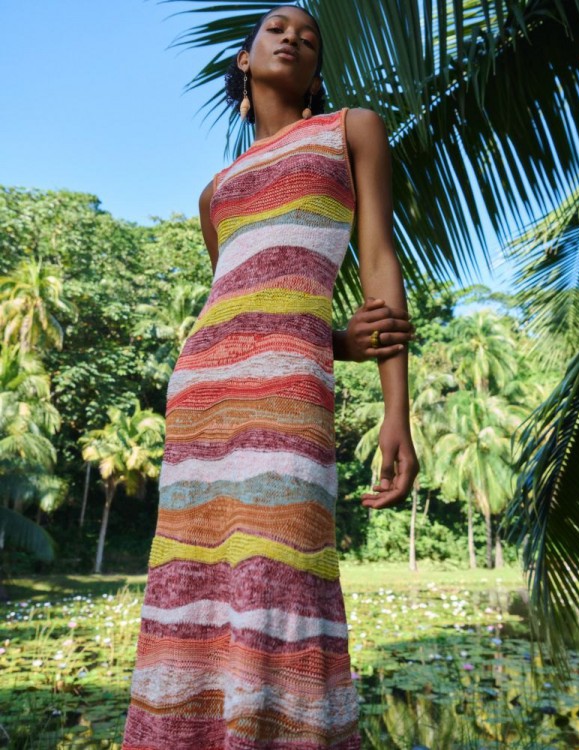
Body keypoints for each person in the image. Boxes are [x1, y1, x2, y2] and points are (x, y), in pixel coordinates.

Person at [122, 5, 419, 749]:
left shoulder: (352, 129)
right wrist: (338, 341)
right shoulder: (215, 191)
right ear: (244, 60)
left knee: (282, 573)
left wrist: (397, 412)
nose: (293, 38)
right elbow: (245, 299)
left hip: (289, 392)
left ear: (317, 73)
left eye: (309, 37)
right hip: (202, 397)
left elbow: (378, 259)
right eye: (276, 30)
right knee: (193, 587)